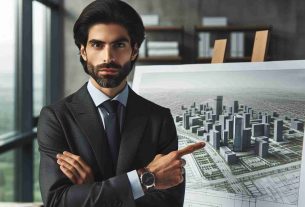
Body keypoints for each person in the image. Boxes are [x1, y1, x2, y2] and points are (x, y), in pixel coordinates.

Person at [37, 1, 205, 206]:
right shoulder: (56, 118)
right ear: (83, 51)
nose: (108, 57)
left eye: (119, 45)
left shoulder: (159, 119)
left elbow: (168, 203)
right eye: (97, 45)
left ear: (134, 50)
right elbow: (57, 201)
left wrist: (92, 189)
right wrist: (147, 178)